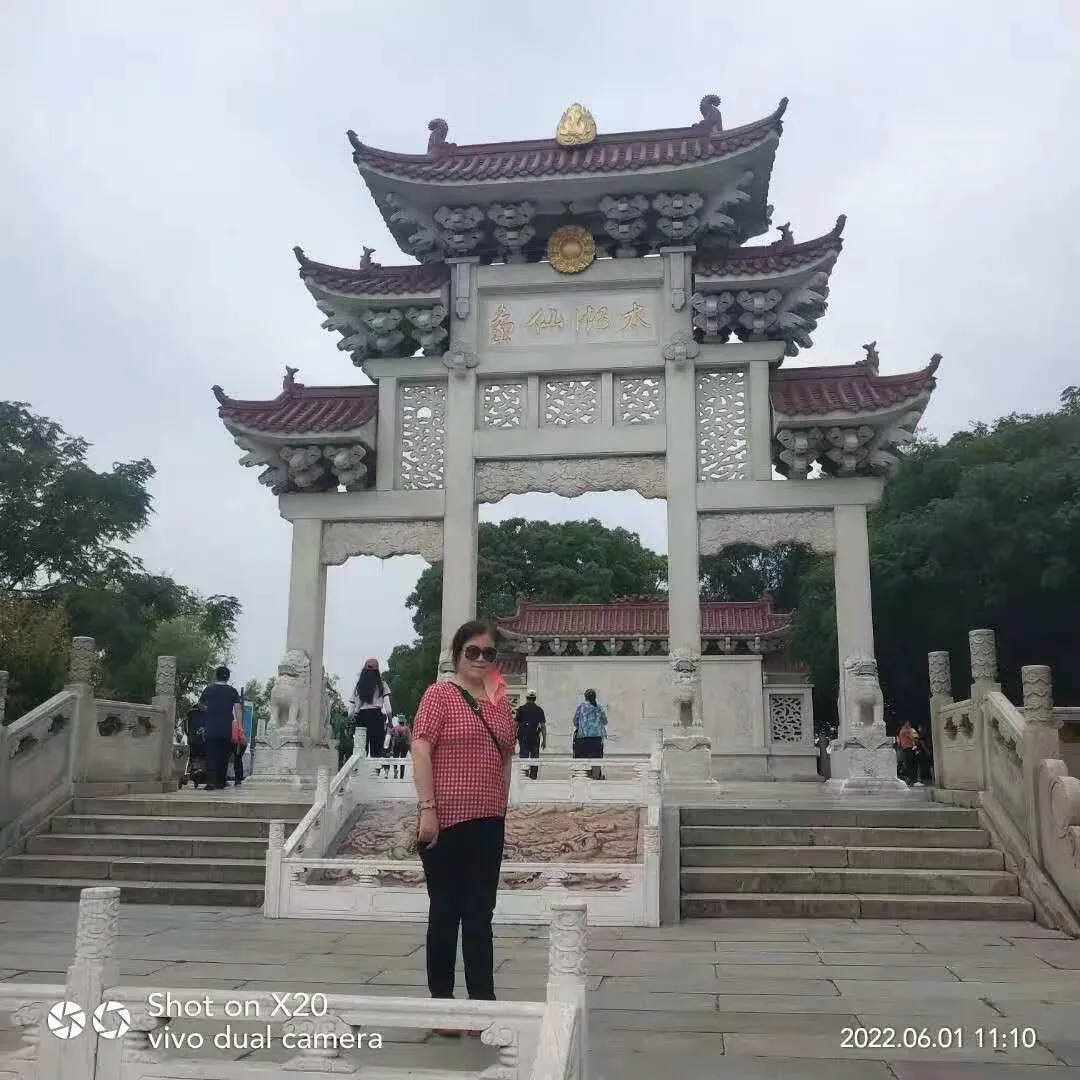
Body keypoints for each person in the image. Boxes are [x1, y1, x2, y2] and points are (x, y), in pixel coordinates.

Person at [410, 620, 515, 1035]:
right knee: (445, 911)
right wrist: (428, 808)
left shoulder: (499, 701)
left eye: (489, 653)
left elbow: (506, 754)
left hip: (488, 820)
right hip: (446, 819)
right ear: (457, 655)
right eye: (472, 651)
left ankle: (482, 1003)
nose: (481, 659)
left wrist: (502, 805)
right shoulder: (439, 694)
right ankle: (442, 1003)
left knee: (480, 914)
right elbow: (421, 748)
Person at [197, 665, 242, 791]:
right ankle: (221, 782)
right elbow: (238, 708)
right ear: (228, 677)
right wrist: (240, 727)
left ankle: (211, 781)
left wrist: (209, 710)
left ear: (216, 675)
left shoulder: (209, 689)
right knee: (224, 755)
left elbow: (200, 704)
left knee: (211, 754)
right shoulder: (232, 691)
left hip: (211, 727)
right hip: (226, 727)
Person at [350, 659, 392, 761]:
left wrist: (351, 719)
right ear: (377, 671)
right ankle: (375, 770)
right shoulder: (382, 684)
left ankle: (360, 768)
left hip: (361, 717)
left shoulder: (359, 685)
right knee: (376, 749)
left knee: (360, 748)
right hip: (376, 717)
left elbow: (352, 708)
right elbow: (388, 706)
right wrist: (390, 721)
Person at [572, 688, 607, 780]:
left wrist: (582, 726)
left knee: (582, 758)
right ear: (595, 697)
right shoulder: (599, 708)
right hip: (596, 738)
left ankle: (583, 776)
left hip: (582, 738)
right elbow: (605, 721)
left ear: (585, 697)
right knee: (596, 758)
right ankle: (596, 777)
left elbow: (575, 721)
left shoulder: (581, 707)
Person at [514, 690, 546, 780]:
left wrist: (513, 736)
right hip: (534, 737)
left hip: (523, 736)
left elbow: (515, 724)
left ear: (527, 698)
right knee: (534, 757)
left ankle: (523, 775)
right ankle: (533, 777)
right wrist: (544, 740)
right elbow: (543, 726)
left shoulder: (521, 709)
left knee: (524, 755)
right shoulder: (539, 710)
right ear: (535, 698)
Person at [897, 718, 918, 786]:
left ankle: (910, 780)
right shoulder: (906, 730)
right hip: (909, 748)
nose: (909, 724)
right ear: (905, 723)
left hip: (905, 748)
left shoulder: (901, 730)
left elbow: (899, 743)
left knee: (908, 764)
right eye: (908, 723)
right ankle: (913, 780)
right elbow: (913, 738)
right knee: (911, 764)